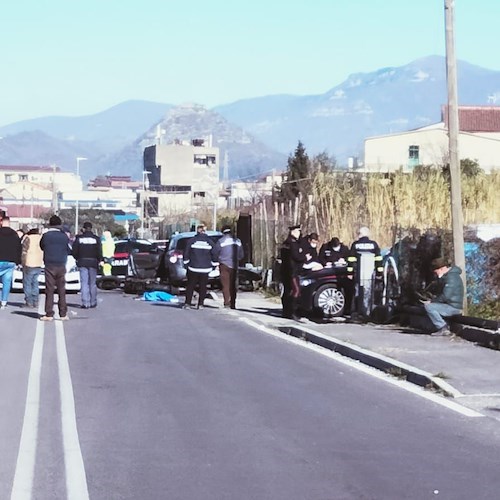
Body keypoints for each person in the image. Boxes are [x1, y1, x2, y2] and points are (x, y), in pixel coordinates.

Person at [39, 215, 71, 321]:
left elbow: (42, 246)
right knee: (61, 289)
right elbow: (68, 249)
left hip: (49, 264)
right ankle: (63, 314)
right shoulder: (64, 236)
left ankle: (49, 313)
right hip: (61, 264)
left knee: (49, 289)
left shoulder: (46, 235)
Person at [348, 226, 383, 320]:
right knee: (368, 292)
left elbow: (351, 259)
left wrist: (350, 272)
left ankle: (358, 311)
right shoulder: (373, 244)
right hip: (370, 274)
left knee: (358, 292)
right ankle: (367, 312)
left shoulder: (356, 244)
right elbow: (379, 260)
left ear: (360, 234)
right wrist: (379, 273)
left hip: (359, 273)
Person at [422, 257, 464, 336]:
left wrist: (432, 302)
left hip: (453, 307)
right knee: (430, 305)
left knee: (429, 307)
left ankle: (443, 327)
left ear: (441, 269)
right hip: (450, 305)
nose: (436, 274)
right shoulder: (449, 277)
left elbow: (446, 296)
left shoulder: (451, 278)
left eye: (436, 271)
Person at [183, 225, 217, 309]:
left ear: (197, 231)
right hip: (205, 269)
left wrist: (186, 264)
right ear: (205, 231)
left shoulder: (191, 241)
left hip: (193, 267)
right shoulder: (210, 242)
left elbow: (186, 253)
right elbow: (215, 255)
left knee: (190, 286)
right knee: (203, 286)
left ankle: (187, 303)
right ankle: (200, 304)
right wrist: (213, 265)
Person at [212, 224, 244, 309]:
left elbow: (215, 253)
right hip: (234, 265)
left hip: (224, 265)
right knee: (233, 285)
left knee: (225, 285)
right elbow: (241, 255)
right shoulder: (238, 241)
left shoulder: (221, 241)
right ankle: (233, 303)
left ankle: (226, 302)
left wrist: (216, 262)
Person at [279, 224, 307, 320]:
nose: (300, 233)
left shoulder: (286, 242)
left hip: (286, 270)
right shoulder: (292, 243)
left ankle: (286, 311)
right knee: (296, 290)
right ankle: (293, 312)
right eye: (298, 231)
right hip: (292, 271)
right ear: (293, 232)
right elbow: (296, 256)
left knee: (287, 291)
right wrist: (305, 257)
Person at [319, 236, 353, 315]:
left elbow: (350, 259)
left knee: (348, 290)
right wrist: (326, 263)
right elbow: (321, 258)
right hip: (328, 270)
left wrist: (344, 261)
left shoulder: (344, 248)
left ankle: (347, 309)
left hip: (342, 271)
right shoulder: (325, 247)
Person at [72, 221, 102, 309]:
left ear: (84, 228)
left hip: (82, 262)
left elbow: (74, 251)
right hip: (93, 262)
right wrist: (99, 259)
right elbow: (99, 251)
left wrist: (77, 258)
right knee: (92, 283)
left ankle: (85, 303)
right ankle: (93, 302)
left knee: (84, 283)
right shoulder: (96, 239)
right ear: (91, 228)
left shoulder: (79, 238)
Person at [0, 216, 22, 310]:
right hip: (10, 262)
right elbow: (19, 248)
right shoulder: (14, 234)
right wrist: (17, 261)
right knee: (7, 282)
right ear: (9, 223)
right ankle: (4, 302)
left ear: (1, 222)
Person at [21, 227, 43, 308]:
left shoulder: (28, 238)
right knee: (35, 283)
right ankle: (35, 301)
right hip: (38, 262)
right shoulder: (41, 238)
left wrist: (22, 263)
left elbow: (24, 251)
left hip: (29, 262)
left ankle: (29, 302)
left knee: (27, 283)